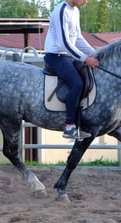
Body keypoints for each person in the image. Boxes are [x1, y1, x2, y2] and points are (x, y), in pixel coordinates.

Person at [44, 0, 99, 139]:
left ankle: (81, 123)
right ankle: (69, 126)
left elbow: (78, 38)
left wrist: (95, 54)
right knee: (77, 83)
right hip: (56, 55)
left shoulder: (75, 11)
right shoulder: (61, 11)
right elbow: (64, 43)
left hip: (68, 56)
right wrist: (85, 58)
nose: (86, 1)